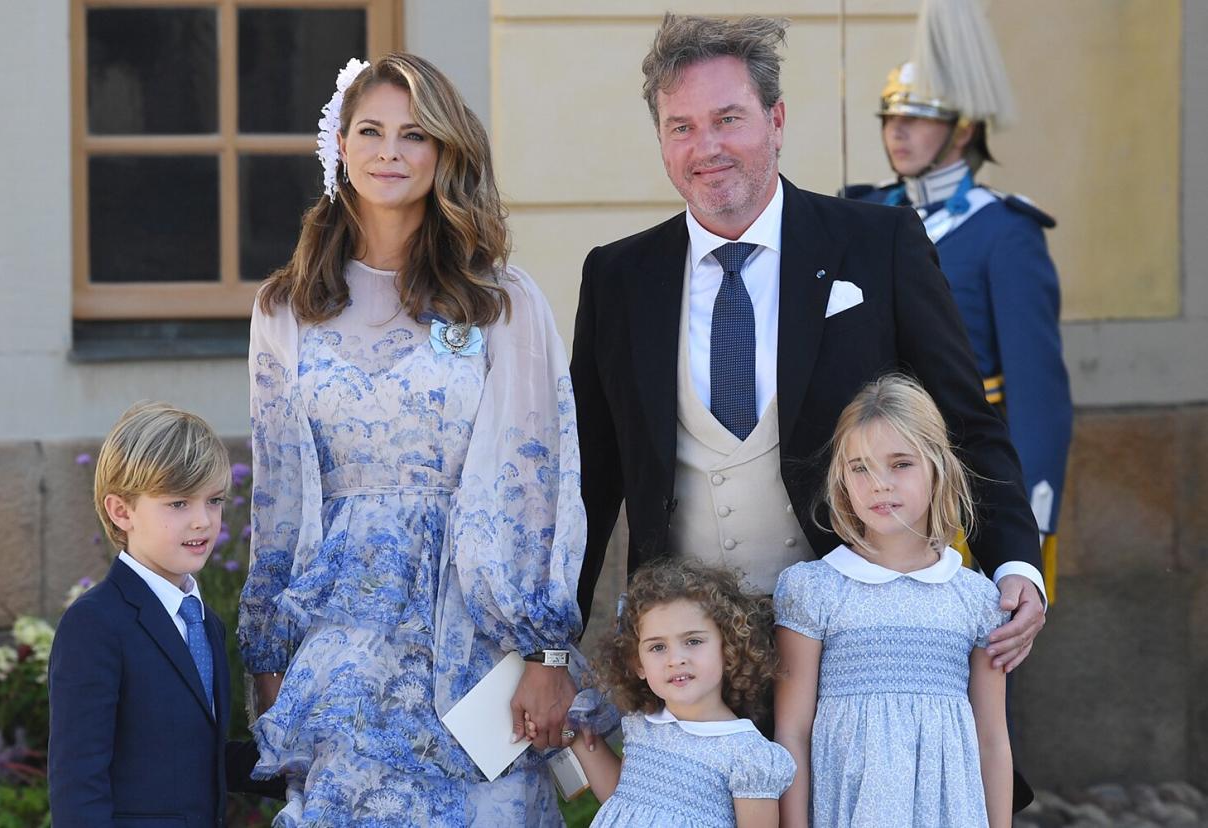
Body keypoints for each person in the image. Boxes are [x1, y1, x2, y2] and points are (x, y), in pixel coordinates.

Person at [570, 13, 1046, 671]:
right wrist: (549, 645)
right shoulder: (618, 277)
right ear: (661, 139)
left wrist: (1016, 559)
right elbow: (590, 478)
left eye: (728, 118)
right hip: (685, 660)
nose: (706, 146)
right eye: (682, 127)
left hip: (855, 639)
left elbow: (967, 423)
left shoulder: (880, 245)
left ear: (777, 121)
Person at [237, 54, 586, 825]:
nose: (390, 152)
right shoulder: (284, 307)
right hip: (341, 644)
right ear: (340, 148)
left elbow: (540, 482)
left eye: (414, 133)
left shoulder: (501, 299)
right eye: (371, 131)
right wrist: (269, 656)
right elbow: (279, 494)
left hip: (475, 638)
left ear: (445, 153)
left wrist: (545, 654)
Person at [844, 0, 1072, 600]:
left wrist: (1030, 516)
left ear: (963, 129)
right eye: (890, 118)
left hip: (963, 476)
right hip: (867, 484)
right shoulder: (863, 214)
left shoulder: (1004, 230)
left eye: (917, 119)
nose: (897, 131)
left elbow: (1036, 390)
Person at [773, 374, 1011, 827]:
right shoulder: (814, 589)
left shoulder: (977, 599)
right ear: (841, 479)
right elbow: (792, 731)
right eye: (860, 467)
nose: (879, 484)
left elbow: (992, 739)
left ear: (937, 467)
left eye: (900, 463)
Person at [48, 401, 282, 827]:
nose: (203, 522)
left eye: (213, 501)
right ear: (122, 511)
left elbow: (195, 757)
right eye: (178, 504)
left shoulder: (205, 622)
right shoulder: (95, 623)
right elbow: (78, 784)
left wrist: (308, 763)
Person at [562, 559, 794, 827]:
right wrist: (578, 738)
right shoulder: (643, 727)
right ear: (638, 664)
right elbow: (622, 800)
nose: (676, 659)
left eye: (693, 641)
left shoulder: (747, 754)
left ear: (729, 649)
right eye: (657, 647)